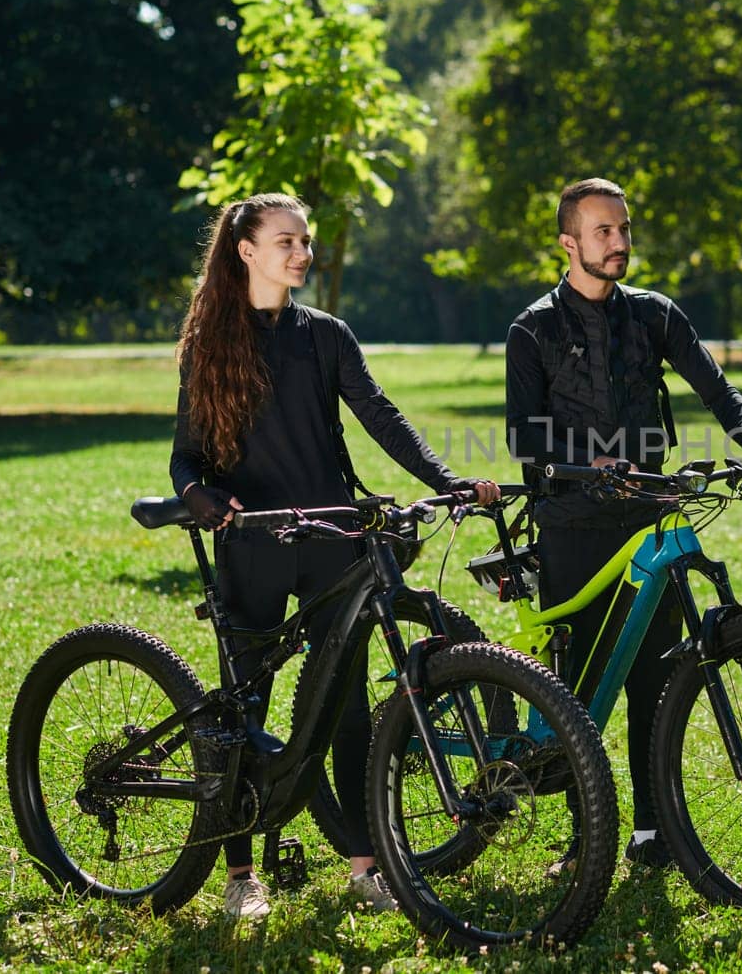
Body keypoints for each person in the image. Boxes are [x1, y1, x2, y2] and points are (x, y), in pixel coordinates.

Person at [170, 192, 498, 920]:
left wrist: (446, 481)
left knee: (348, 710)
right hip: (252, 541)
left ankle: (362, 864)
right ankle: (242, 874)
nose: (301, 253)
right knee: (242, 708)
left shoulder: (326, 335)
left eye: (306, 241)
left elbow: (380, 414)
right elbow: (185, 462)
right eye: (286, 240)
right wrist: (199, 499)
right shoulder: (210, 344)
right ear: (246, 250)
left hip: (332, 536)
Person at [504, 177, 742, 870]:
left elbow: (717, 386)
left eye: (625, 229)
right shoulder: (533, 328)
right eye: (604, 231)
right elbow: (524, 438)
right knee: (578, 689)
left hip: (649, 522)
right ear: (568, 243)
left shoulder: (656, 316)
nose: (621, 242)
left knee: (653, 683)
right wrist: (586, 461)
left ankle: (653, 834)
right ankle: (583, 837)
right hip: (570, 524)